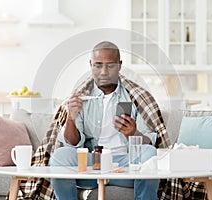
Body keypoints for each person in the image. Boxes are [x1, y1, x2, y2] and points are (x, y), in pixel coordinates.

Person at [50, 41, 168, 200]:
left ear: (120, 65)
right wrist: (70, 118)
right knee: (60, 155)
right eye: (98, 65)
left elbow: (149, 143)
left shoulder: (136, 97)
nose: (104, 72)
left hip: (126, 166)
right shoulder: (82, 97)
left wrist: (133, 133)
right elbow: (72, 144)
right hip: (92, 166)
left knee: (150, 154)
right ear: (91, 65)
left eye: (110, 65)